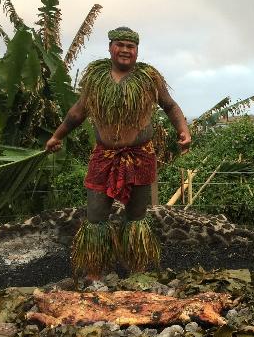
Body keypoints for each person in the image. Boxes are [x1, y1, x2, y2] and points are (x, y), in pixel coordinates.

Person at [45, 27, 191, 280]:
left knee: (136, 216)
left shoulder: (148, 78)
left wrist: (183, 130)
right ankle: (95, 270)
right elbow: (78, 112)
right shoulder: (96, 79)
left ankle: (136, 267)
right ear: (110, 47)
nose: (125, 50)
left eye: (130, 46)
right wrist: (57, 135)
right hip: (104, 156)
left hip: (140, 156)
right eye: (120, 44)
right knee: (96, 215)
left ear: (137, 50)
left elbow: (170, 105)